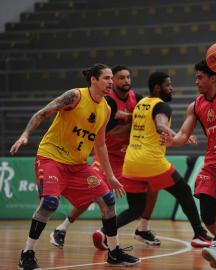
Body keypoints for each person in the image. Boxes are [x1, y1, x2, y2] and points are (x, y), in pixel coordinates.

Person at [11, 64, 139, 269]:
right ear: (93, 80)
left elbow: (100, 144)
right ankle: (27, 254)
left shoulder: (105, 108)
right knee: (49, 204)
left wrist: (110, 176)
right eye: (106, 78)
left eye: (110, 79)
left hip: (78, 165)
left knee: (108, 201)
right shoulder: (75, 96)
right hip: (51, 158)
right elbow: (43, 113)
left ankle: (114, 252)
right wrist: (25, 134)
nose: (110, 82)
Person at [92, 71, 212, 249]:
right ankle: (199, 234)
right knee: (184, 191)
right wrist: (180, 136)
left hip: (131, 163)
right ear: (157, 87)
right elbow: (160, 125)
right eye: (167, 85)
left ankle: (104, 232)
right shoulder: (161, 106)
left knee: (136, 208)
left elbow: (133, 127)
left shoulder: (141, 104)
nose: (171, 88)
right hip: (151, 162)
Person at [161, 43, 216, 269]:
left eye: (200, 77)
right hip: (212, 161)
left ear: (213, 78)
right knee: (208, 217)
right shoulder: (195, 106)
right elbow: (183, 134)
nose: (196, 81)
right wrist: (173, 141)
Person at [50, 65, 160, 250]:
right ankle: (62, 229)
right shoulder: (108, 103)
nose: (126, 81)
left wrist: (136, 119)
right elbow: (114, 134)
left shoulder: (137, 99)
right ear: (112, 81)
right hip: (107, 156)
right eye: (120, 78)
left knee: (153, 183)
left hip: (128, 157)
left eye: (128, 77)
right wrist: (133, 122)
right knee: (92, 194)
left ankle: (143, 228)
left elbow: (147, 120)